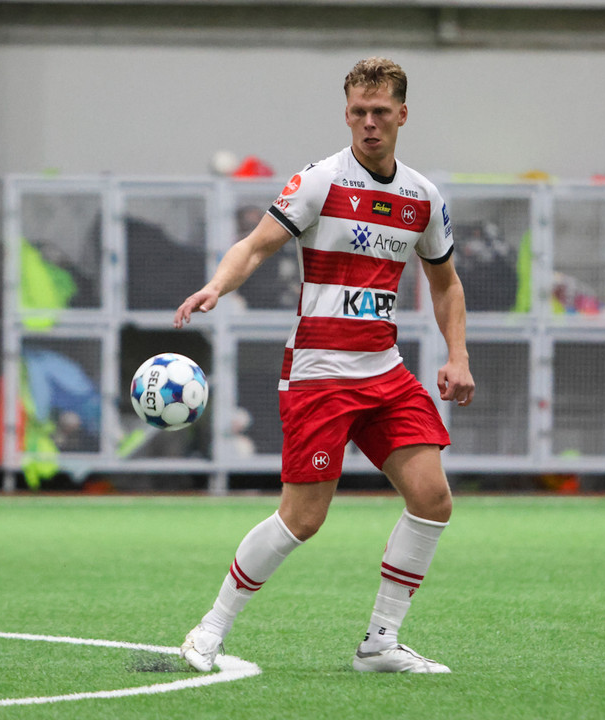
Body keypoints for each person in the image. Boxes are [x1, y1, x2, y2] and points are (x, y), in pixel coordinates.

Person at [173, 57, 475, 674]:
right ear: (347, 115)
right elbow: (255, 246)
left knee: (432, 498)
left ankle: (380, 644)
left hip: (383, 369)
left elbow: (445, 282)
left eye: (380, 112)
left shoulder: (422, 197)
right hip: (320, 372)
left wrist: (458, 355)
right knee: (303, 519)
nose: (369, 123)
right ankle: (209, 629)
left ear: (402, 115)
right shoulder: (320, 181)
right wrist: (216, 286)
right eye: (359, 112)